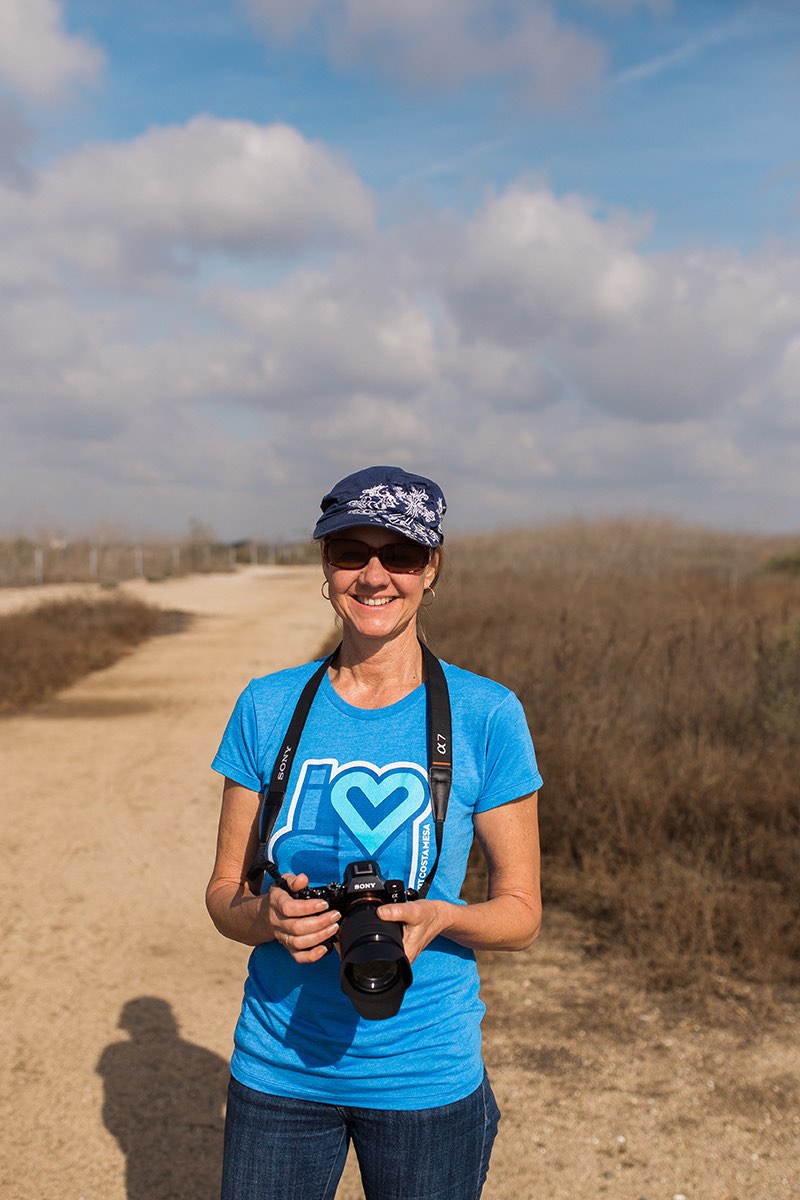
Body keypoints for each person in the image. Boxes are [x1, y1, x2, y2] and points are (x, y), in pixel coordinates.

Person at [206, 465, 543, 1200]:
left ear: (432, 569)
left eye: (400, 554)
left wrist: (444, 917)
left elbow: (521, 914)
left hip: (426, 1071)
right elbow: (223, 895)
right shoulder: (266, 708)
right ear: (325, 566)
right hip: (279, 1068)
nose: (374, 574)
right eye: (350, 552)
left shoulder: (488, 716)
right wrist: (265, 917)